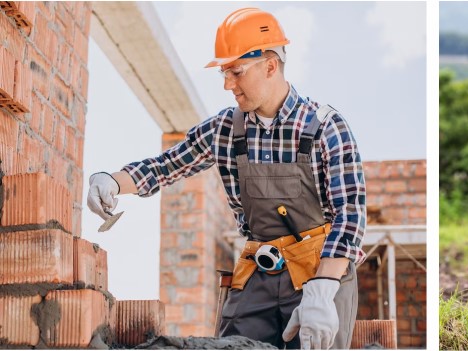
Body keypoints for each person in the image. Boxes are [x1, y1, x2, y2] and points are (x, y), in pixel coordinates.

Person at [85, 8, 365, 349]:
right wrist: (112, 181)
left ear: (270, 66)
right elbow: (166, 165)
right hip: (260, 271)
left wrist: (322, 289)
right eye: (224, 73)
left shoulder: (324, 127)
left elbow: (350, 215)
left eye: (236, 72)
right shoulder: (225, 130)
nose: (228, 84)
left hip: (320, 271)